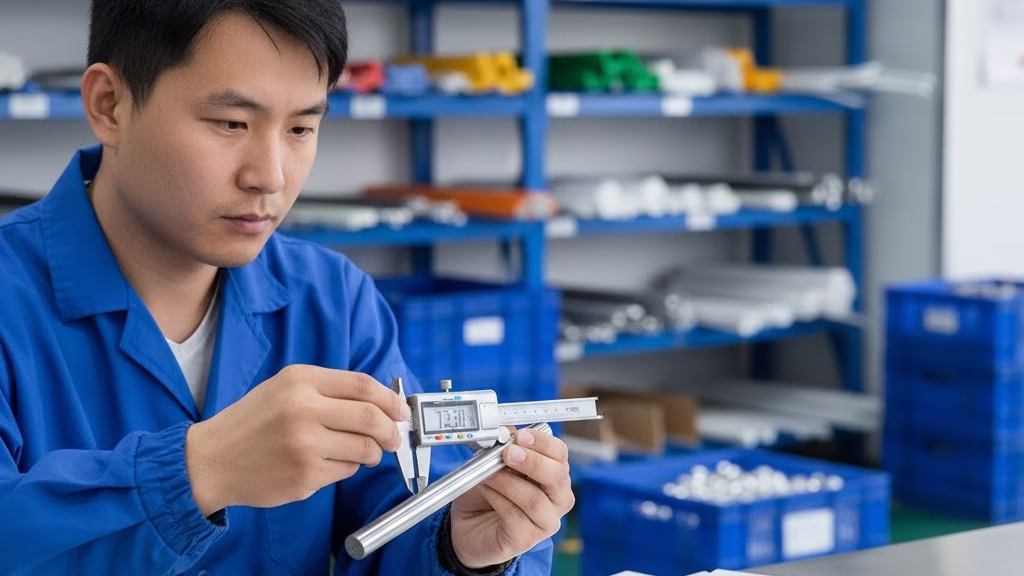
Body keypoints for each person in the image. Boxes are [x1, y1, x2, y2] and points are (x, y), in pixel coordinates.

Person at [0, 1, 574, 574]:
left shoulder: (334, 301)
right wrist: (197, 472)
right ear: (110, 105)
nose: (270, 176)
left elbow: (392, 523)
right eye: (232, 123)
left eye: (301, 127)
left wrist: (459, 547)